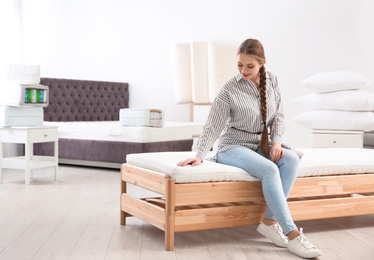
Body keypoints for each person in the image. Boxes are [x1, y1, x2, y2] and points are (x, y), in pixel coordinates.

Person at [177, 38, 322, 259]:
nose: (243, 70)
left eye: (250, 66)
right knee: (270, 169)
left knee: (291, 159)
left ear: (262, 63)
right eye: (239, 65)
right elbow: (213, 126)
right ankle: (292, 234)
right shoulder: (229, 89)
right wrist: (199, 155)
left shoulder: (272, 80)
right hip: (233, 145)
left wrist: (276, 142)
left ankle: (269, 222)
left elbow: (279, 117)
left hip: (262, 144)